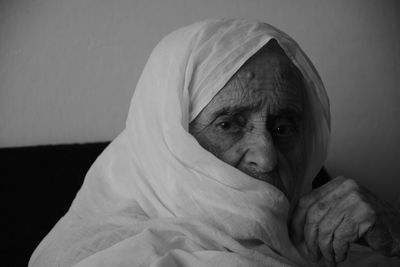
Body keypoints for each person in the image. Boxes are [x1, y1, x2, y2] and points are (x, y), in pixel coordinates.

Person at [29, 18, 400, 267]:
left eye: (284, 127)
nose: (266, 158)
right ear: (170, 140)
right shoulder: (110, 255)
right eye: (228, 124)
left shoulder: (338, 241)